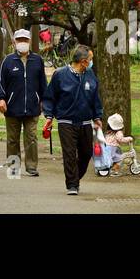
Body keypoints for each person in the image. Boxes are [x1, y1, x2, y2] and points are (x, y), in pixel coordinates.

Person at [42, 45, 104, 195]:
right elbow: (49, 98)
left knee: (86, 153)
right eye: (90, 59)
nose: (91, 62)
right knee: (69, 153)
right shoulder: (60, 75)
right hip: (66, 122)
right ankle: (72, 185)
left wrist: (97, 116)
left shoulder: (90, 75)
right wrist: (49, 116)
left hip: (84, 122)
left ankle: (75, 178)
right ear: (83, 61)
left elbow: (95, 97)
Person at [0, 28, 47, 177]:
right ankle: (13, 167)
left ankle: (31, 166)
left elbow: (43, 83)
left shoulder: (37, 60)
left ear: (29, 41)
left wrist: (45, 100)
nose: (22, 43)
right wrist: (1, 98)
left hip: (32, 107)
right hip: (11, 107)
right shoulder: (7, 61)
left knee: (31, 138)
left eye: (25, 40)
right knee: (12, 140)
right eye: (20, 40)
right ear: (14, 42)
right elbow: (0, 82)